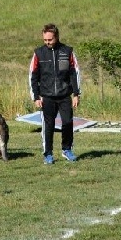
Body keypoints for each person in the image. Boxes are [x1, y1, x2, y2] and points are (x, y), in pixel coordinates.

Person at [29, 23, 81, 164]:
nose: (47, 43)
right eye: (45, 40)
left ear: (56, 37)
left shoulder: (68, 51)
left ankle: (67, 150)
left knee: (68, 123)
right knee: (49, 125)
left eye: (50, 40)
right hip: (47, 96)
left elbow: (74, 73)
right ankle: (48, 154)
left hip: (65, 95)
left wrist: (76, 94)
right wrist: (36, 96)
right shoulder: (38, 53)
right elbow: (33, 76)